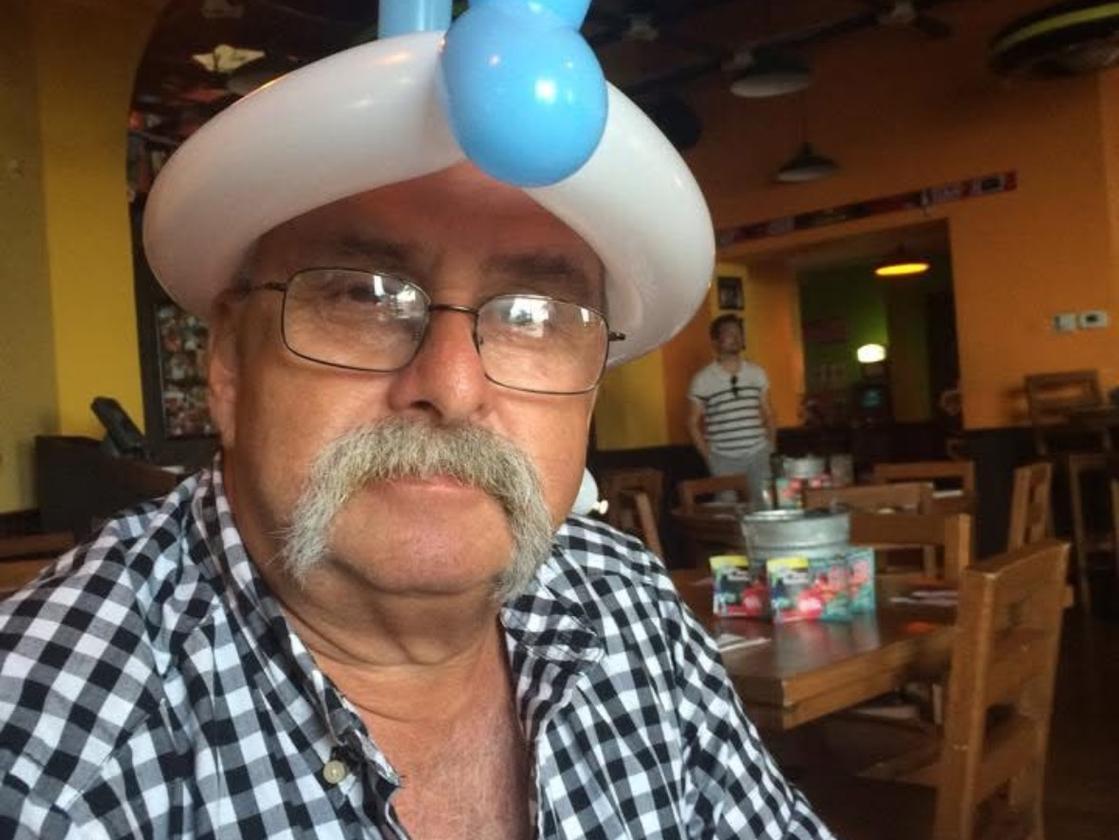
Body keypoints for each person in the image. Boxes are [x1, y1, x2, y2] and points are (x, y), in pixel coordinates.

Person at [0, 6, 831, 839]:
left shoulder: (624, 599)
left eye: (535, 315)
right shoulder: (43, 762)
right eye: (362, 296)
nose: (453, 386)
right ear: (227, 363)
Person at [687, 314, 777, 502]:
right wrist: (709, 456)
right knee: (727, 510)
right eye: (728, 333)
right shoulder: (703, 379)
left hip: (758, 453)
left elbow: (769, 413)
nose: (735, 337)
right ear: (715, 341)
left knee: (764, 507)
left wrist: (770, 446)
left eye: (738, 333)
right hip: (723, 458)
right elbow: (692, 423)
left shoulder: (757, 373)